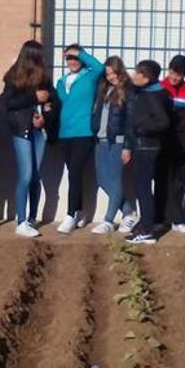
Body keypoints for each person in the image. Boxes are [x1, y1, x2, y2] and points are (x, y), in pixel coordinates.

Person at [1, 40, 59, 238]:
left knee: (35, 175)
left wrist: (47, 114)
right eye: (38, 56)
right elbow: (8, 103)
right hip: (22, 130)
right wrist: (35, 99)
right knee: (25, 174)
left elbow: (53, 100)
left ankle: (32, 217)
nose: (41, 60)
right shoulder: (13, 77)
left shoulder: (44, 78)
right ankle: (21, 220)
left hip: (39, 131)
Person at [55, 44, 106, 234]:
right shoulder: (61, 81)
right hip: (65, 134)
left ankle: (69, 216)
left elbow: (100, 67)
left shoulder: (89, 76)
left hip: (84, 132)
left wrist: (80, 53)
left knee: (74, 172)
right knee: (74, 173)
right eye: (69, 58)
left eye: (75, 58)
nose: (73, 61)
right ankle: (80, 210)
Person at [90, 56, 139, 235]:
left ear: (120, 71)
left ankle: (108, 220)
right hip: (101, 140)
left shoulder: (128, 90)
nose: (110, 77)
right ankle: (128, 212)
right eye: (108, 73)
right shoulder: (104, 89)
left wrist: (127, 146)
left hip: (117, 141)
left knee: (116, 180)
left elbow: (131, 121)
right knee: (103, 180)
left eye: (113, 73)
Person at [125, 60, 172, 245]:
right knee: (141, 187)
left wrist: (141, 128)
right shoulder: (149, 91)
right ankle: (145, 224)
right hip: (143, 145)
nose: (134, 76)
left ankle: (147, 230)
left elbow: (163, 122)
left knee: (143, 188)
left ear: (148, 77)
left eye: (139, 73)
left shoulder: (153, 95)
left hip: (146, 145)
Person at [155, 54, 185, 234]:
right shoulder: (159, 88)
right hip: (161, 140)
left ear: (184, 75)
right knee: (160, 181)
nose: (175, 77)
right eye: (173, 72)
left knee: (179, 182)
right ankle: (158, 219)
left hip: (182, 142)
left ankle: (178, 219)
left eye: (179, 74)